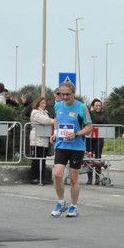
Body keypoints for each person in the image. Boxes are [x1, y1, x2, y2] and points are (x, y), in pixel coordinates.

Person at [49, 82, 93, 218]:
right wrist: (55, 133)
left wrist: (76, 133)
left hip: (77, 147)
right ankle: (61, 203)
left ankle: (74, 206)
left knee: (73, 178)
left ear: (73, 93)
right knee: (57, 175)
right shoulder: (57, 105)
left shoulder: (81, 107)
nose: (65, 97)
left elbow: (89, 127)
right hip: (61, 145)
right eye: (62, 94)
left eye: (68, 94)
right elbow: (56, 120)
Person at [29, 97, 55, 185]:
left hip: (43, 137)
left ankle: (41, 177)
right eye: (42, 103)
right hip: (37, 137)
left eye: (45, 103)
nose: (44, 105)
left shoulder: (44, 112)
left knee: (43, 159)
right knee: (37, 159)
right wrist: (55, 121)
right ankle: (34, 178)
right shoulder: (35, 112)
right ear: (38, 104)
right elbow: (45, 121)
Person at [86, 99, 107, 185]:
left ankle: (97, 178)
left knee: (98, 157)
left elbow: (100, 120)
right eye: (96, 106)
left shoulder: (104, 113)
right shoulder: (88, 113)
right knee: (89, 158)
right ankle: (89, 178)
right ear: (93, 106)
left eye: (99, 106)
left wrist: (92, 113)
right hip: (88, 138)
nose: (98, 107)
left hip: (98, 138)